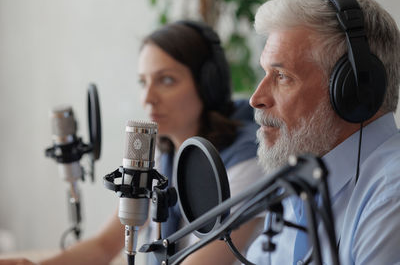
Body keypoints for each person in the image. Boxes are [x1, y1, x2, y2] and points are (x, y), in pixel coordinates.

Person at [0, 20, 264, 265]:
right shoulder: (164, 151)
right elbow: (105, 245)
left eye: (166, 80)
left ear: (208, 85)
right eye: (143, 82)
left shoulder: (248, 163)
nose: (147, 98)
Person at [245, 0, 400, 264]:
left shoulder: (391, 194)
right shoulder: (294, 183)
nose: (256, 98)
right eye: (265, 73)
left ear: (352, 91)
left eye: (282, 76)